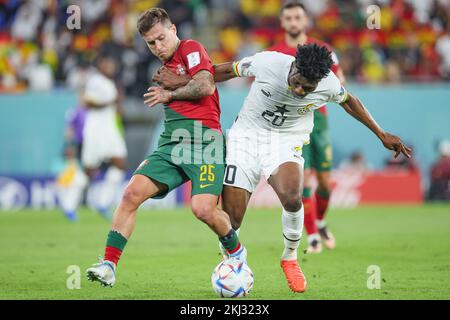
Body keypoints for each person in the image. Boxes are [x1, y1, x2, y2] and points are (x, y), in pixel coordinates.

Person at [153, 43, 411, 293]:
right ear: (294, 65)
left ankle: (290, 258)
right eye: (297, 81)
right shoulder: (268, 62)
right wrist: (183, 81)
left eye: (306, 89)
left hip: (286, 139)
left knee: (291, 195)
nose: (299, 90)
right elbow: (223, 70)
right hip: (246, 136)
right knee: (232, 217)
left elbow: (350, 101)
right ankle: (233, 262)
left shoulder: (328, 83)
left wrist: (381, 133)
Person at [86, 8, 247, 288]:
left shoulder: (191, 48)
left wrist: (170, 93)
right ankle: (109, 265)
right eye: (151, 43)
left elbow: (207, 85)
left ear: (173, 30)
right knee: (131, 194)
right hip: (172, 142)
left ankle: (236, 253)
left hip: (205, 141)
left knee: (203, 210)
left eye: (161, 38)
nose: (158, 47)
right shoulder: (160, 67)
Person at [268, 1, 346, 254]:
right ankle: (312, 235)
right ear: (282, 22)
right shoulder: (274, 53)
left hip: (318, 120)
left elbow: (339, 80)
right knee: (304, 179)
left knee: (325, 182)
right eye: (288, 18)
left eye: (297, 17)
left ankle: (320, 223)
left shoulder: (323, 50)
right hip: (290, 123)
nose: (293, 22)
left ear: (305, 21)